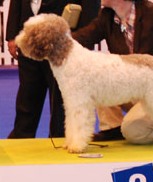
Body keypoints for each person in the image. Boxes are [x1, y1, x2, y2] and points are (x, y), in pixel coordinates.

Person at [73, 0, 153, 144]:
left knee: (133, 132)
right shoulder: (107, 17)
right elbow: (82, 38)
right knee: (102, 75)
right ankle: (113, 129)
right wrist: (57, 38)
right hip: (133, 90)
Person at [6, 0, 100, 138]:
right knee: (27, 95)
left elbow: (91, 5)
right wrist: (12, 35)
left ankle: (61, 138)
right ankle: (21, 136)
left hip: (61, 43)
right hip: (29, 39)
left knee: (60, 100)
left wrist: (82, 38)